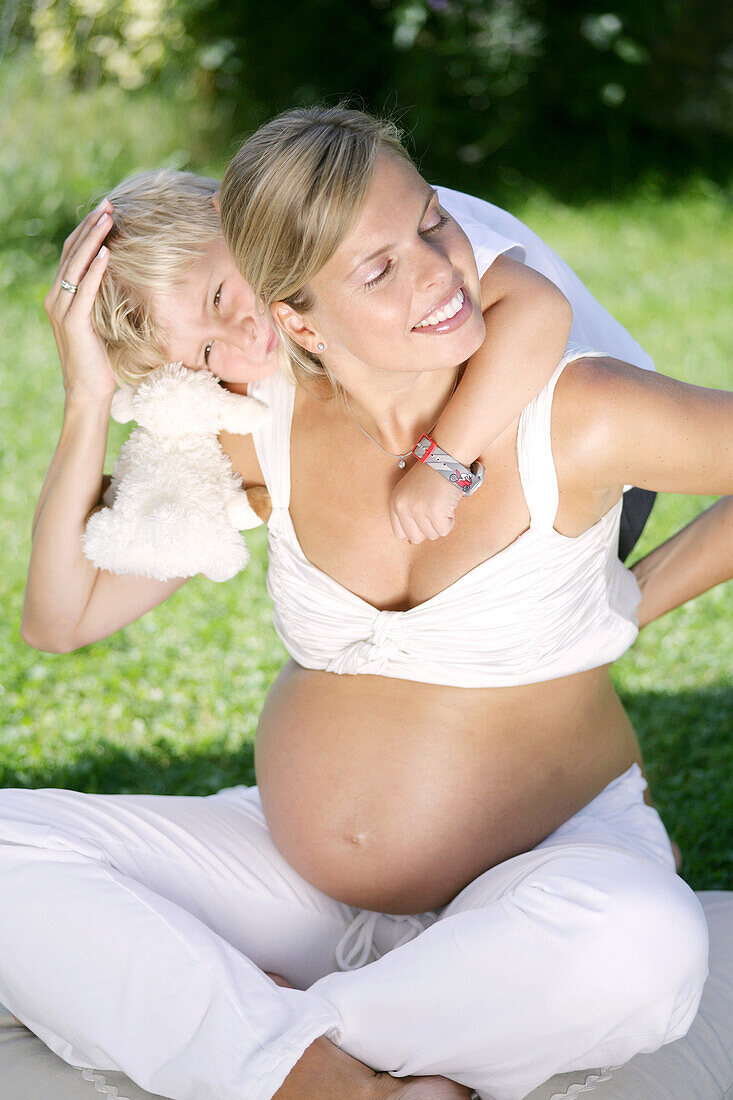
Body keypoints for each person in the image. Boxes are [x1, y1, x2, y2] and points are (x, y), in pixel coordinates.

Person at [2, 108, 731, 1100]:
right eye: (204, 346)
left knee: (641, 945)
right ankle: (364, 1060)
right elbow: (59, 619)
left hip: (539, 870)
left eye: (431, 227)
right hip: (295, 886)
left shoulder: (567, 397)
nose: (434, 268)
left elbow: (518, 296)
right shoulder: (257, 425)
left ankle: (271, 1038)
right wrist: (86, 399)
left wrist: (625, 601)